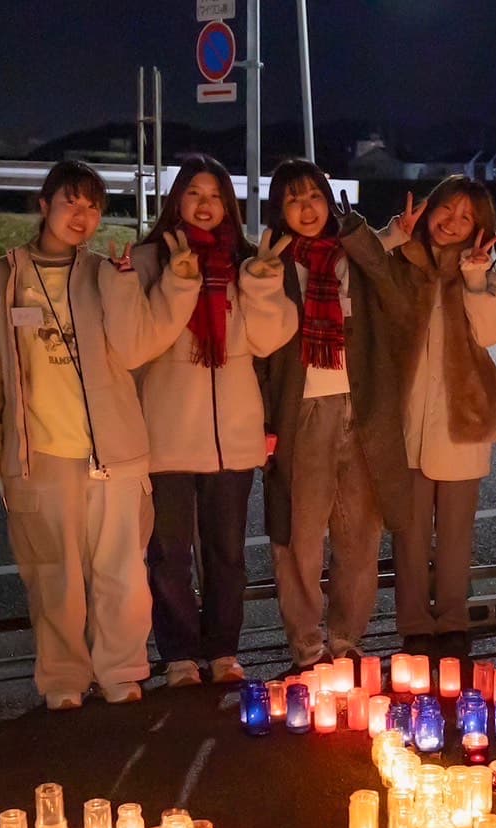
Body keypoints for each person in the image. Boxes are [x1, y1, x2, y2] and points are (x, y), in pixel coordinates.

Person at [0, 160, 201, 710]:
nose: (83, 215)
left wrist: (178, 284)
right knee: (54, 579)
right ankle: (64, 678)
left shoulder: (105, 273)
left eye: (94, 206)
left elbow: (140, 344)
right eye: (71, 202)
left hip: (116, 449)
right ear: (44, 206)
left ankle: (121, 668)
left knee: (123, 575)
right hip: (41, 452)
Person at [134, 155, 298, 686]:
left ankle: (224, 649)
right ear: (176, 200)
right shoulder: (146, 260)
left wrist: (263, 284)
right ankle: (180, 652)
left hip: (232, 430)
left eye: (215, 195)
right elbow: (141, 345)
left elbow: (266, 339)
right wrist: (177, 284)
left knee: (227, 551)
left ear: (228, 203)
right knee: (169, 553)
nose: (205, 206)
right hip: (167, 430)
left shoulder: (247, 262)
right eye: (194, 194)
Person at [342, 174, 496, 658]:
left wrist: (477, 279)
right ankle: (415, 621)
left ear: (479, 227)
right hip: (403, 422)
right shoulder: (401, 263)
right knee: (410, 533)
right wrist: (395, 233)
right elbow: (357, 263)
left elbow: (492, 333)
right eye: (447, 210)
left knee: (457, 535)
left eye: (466, 217)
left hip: (462, 423)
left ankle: (454, 618)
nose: (452, 222)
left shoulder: (485, 278)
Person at [258, 159, 413, 670]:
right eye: (293, 200)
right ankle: (306, 645)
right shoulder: (272, 264)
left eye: (315, 196)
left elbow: (400, 304)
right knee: (300, 538)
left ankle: (347, 642)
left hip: (362, 410)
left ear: (331, 202)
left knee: (359, 538)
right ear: (279, 211)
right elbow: (259, 354)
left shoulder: (355, 258)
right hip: (302, 412)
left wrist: (368, 240)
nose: (307, 208)